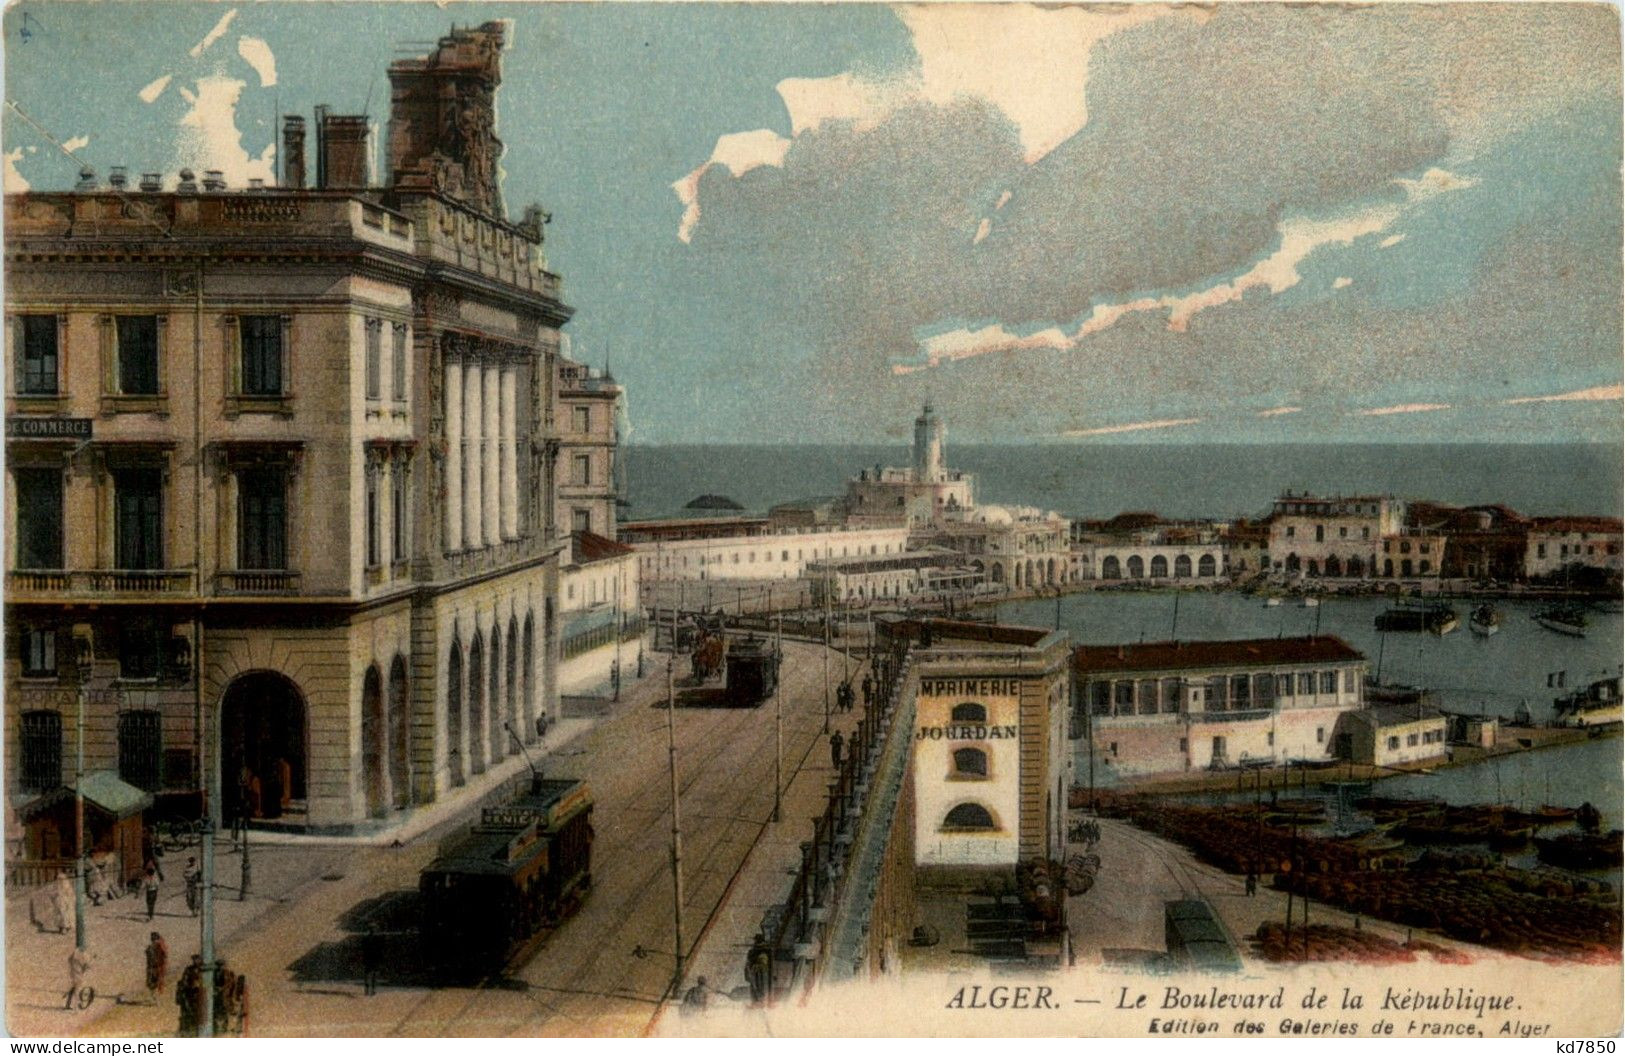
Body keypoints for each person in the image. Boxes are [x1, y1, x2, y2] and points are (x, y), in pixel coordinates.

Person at [176, 955, 203, 1035]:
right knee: (188, 1011)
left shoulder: (203, 970)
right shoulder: (189, 969)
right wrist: (188, 985)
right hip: (190, 993)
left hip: (200, 994)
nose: (195, 961)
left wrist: (199, 985)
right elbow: (184, 980)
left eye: (197, 960)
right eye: (194, 960)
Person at [745, 932, 772, 1006]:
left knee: (758, 987)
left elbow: (749, 963)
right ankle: (757, 1002)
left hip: (761, 971)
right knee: (756, 987)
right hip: (756, 972)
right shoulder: (753, 951)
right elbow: (748, 963)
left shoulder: (766, 950)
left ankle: (759, 1001)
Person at [145, 932, 168, 1002]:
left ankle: (155, 997)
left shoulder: (159, 946)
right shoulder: (151, 947)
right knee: (153, 983)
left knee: (156, 982)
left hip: (156, 967)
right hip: (153, 967)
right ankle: (155, 997)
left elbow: (164, 955)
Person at [360, 929, 383, 996]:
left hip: (368, 958)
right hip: (375, 958)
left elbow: (363, 949)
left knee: (367, 973)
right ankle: (373, 990)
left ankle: (367, 990)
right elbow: (380, 950)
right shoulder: (378, 939)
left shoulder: (366, 939)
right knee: (374, 974)